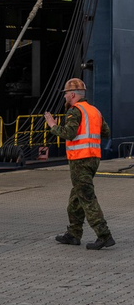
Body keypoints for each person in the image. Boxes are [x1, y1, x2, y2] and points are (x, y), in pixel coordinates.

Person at [44, 78, 115, 250]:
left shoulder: (74, 111)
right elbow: (106, 132)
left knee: (87, 198)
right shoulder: (94, 111)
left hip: (80, 160)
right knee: (75, 200)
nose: (64, 97)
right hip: (93, 159)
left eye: (66, 94)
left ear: (73, 95)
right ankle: (74, 234)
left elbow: (69, 133)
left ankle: (104, 235)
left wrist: (53, 125)